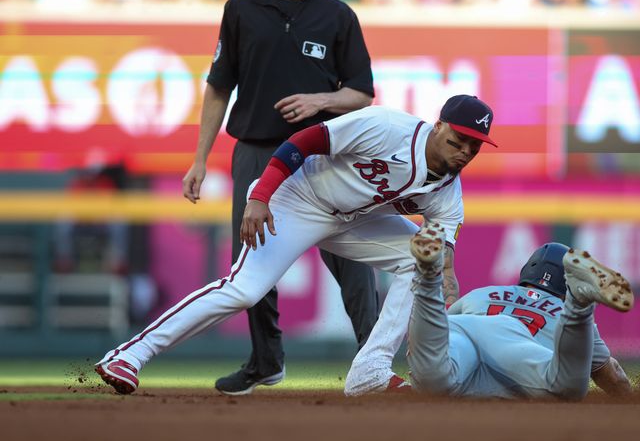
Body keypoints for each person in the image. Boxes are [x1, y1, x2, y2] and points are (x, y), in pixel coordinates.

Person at [95, 94, 498, 396]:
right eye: (459, 139)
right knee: (244, 290)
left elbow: (441, 249)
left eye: (474, 146)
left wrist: (443, 277)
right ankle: (129, 356)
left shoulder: (449, 189)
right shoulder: (387, 127)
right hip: (297, 198)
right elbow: (303, 141)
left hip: (353, 219)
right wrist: (260, 197)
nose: (464, 151)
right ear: (439, 125)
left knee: (418, 261)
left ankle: (370, 372)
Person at [180, 0, 381, 395]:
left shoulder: (337, 16)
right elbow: (217, 87)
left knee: (351, 262)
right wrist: (200, 158)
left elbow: (362, 92)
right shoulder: (242, 8)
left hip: (321, 156)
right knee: (253, 265)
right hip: (255, 149)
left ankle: (374, 364)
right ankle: (265, 362)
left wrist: (320, 101)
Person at [406, 229, 634, 399]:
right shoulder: (560, 310)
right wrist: (632, 401)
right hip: (513, 344)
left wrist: (424, 353)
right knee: (565, 390)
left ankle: (428, 280)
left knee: (433, 378)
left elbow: (440, 330)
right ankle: (580, 305)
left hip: (463, 329)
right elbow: (611, 376)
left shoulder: (483, 293)